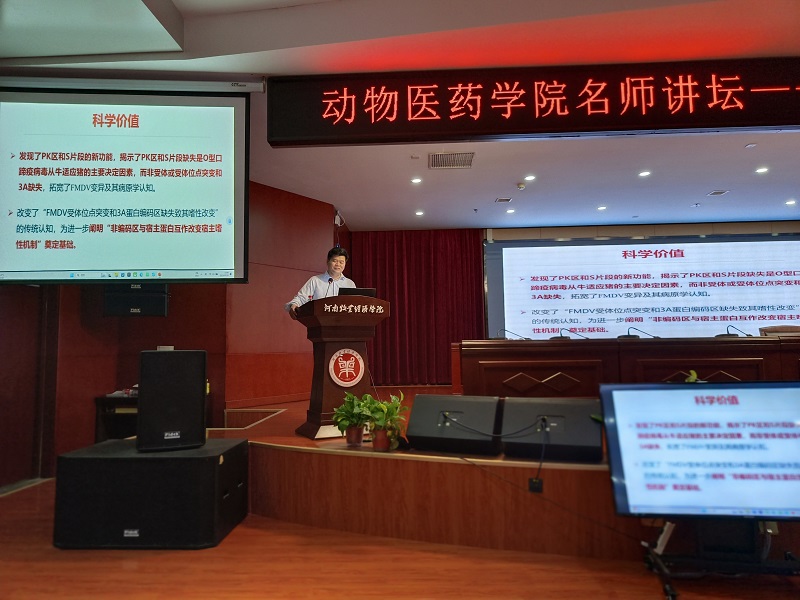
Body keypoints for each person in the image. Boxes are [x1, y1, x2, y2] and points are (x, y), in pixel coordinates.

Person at [285, 247, 356, 320]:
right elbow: (301, 298)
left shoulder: (349, 284)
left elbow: (355, 305)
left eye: (341, 262)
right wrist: (294, 305)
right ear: (328, 261)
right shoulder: (315, 280)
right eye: (335, 261)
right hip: (319, 323)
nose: (338, 264)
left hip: (343, 323)